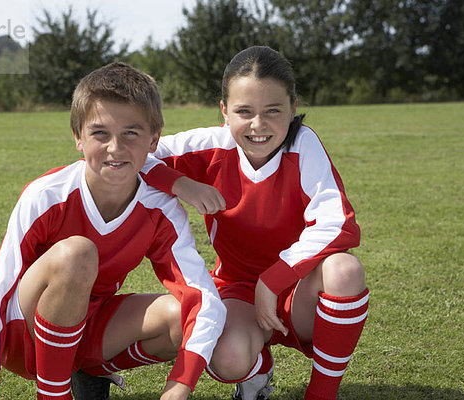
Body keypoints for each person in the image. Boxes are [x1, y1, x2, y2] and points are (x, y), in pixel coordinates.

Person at [0, 62, 226, 400]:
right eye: (100, 133)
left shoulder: (160, 209)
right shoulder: (47, 195)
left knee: (178, 317)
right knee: (77, 253)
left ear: (154, 139)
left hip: (90, 327)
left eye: (131, 133)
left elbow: (203, 299)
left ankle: (90, 373)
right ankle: (54, 392)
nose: (115, 148)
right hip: (25, 336)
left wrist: (181, 385)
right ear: (78, 137)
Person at [140, 46, 369, 400]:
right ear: (224, 111)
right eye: (244, 112)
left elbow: (338, 223)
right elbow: (136, 153)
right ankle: (258, 370)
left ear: (293, 108)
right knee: (227, 359)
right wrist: (180, 183)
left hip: (297, 290)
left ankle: (322, 393)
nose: (258, 125)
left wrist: (274, 279)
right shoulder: (211, 145)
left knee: (344, 270)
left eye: (273, 111)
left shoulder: (303, 145)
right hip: (239, 289)